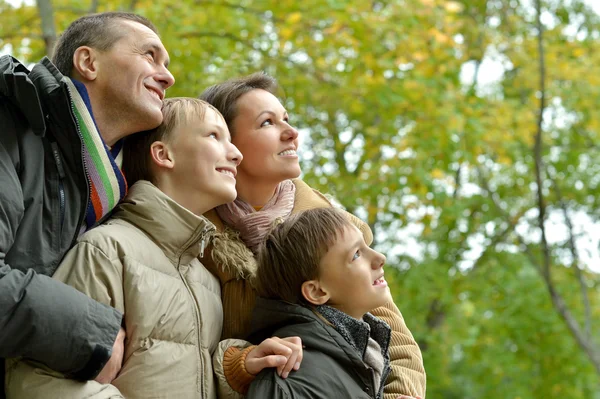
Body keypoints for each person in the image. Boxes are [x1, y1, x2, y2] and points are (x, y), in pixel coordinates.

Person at [5, 98, 303, 398]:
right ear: (164, 155)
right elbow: (39, 381)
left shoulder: (208, 279)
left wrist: (240, 369)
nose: (236, 154)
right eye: (214, 136)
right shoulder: (107, 250)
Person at [199, 73, 426, 398]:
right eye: (267, 123)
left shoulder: (336, 236)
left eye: (287, 120)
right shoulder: (196, 235)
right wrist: (241, 363)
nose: (292, 134)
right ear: (227, 145)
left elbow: (397, 345)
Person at [0, 12, 174, 397]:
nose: (168, 76)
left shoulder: (117, 192)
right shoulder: (9, 121)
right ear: (88, 62)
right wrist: (91, 332)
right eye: (150, 56)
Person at [247, 208, 422, 399]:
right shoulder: (290, 380)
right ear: (317, 291)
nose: (380, 258)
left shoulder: (363, 359)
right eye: (356, 255)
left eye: (366, 247)